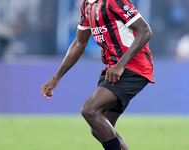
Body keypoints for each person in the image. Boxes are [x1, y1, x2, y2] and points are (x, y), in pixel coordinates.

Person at [42, 0, 154, 150]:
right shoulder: (86, 5)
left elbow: (145, 30)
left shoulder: (113, 2)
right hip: (113, 68)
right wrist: (56, 77)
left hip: (133, 66)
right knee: (99, 129)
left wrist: (121, 65)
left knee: (89, 109)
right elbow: (79, 43)